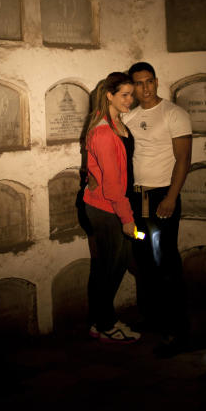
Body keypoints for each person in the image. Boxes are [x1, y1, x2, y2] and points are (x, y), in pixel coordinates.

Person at [122, 61, 192, 357]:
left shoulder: (174, 113)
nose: (146, 87)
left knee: (165, 261)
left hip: (162, 197)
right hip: (138, 201)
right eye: (139, 83)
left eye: (150, 81)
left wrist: (172, 197)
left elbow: (184, 158)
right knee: (143, 258)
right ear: (133, 88)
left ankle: (177, 330)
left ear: (157, 81)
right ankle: (152, 317)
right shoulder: (130, 116)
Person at [81, 72, 142, 344]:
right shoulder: (104, 132)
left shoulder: (116, 122)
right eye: (124, 95)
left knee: (110, 266)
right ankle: (105, 325)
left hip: (113, 205)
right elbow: (113, 184)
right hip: (107, 209)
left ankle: (99, 321)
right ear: (109, 96)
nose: (131, 99)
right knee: (111, 268)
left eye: (131, 94)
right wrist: (127, 219)